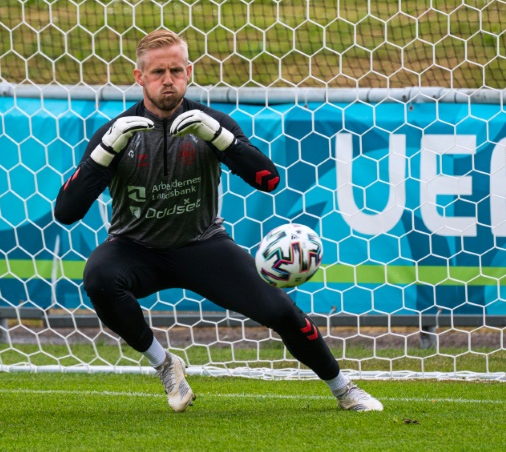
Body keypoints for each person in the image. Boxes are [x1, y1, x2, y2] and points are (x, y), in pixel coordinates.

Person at [54, 29, 383, 413]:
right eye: (158, 72)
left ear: (189, 72)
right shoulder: (116, 133)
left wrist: (220, 137)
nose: (168, 80)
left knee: (281, 312)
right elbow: (66, 213)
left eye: (176, 70)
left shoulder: (210, 122)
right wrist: (104, 152)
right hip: (135, 248)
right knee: (98, 278)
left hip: (203, 245)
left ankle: (344, 389)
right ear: (139, 77)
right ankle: (165, 364)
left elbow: (269, 181)